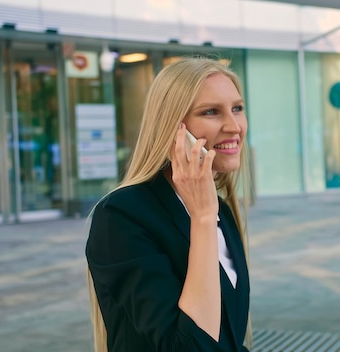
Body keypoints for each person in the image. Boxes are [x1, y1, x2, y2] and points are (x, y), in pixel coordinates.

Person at [85, 57, 251, 352]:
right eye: (211, 112)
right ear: (174, 129)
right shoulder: (122, 215)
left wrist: (206, 212)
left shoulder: (220, 210)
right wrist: (201, 219)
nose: (233, 126)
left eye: (237, 108)